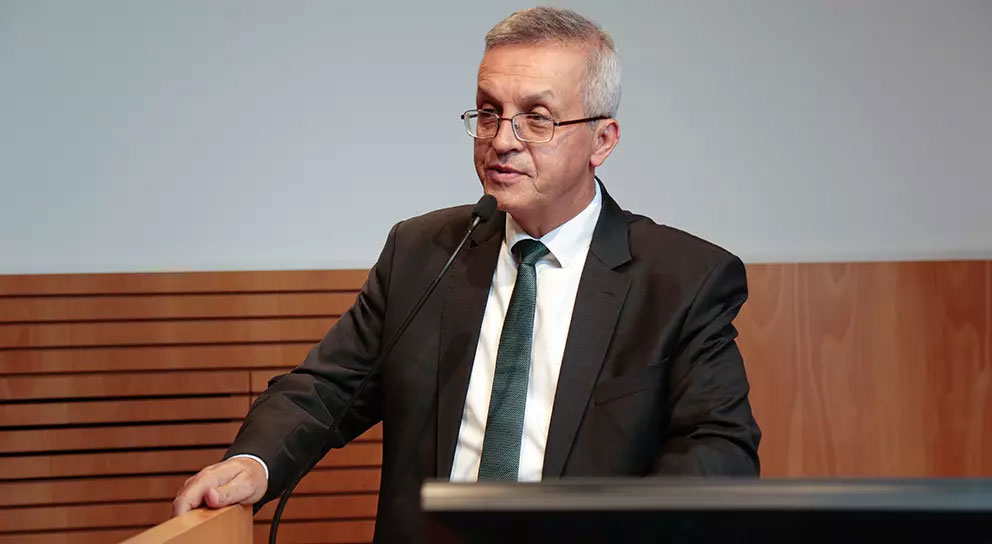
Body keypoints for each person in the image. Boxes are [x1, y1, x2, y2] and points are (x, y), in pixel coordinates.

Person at [173, 6, 760, 542]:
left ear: (601, 140)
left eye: (536, 119)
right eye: (488, 113)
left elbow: (718, 451)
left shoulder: (682, 280)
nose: (502, 141)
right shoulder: (422, 251)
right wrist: (251, 463)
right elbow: (325, 389)